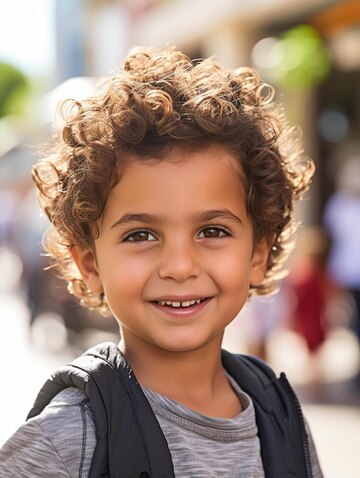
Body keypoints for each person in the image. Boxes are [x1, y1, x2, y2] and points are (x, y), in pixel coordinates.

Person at [0, 47, 322, 477]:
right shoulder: (65, 441)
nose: (179, 265)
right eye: (141, 235)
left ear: (257, 255)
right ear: (90, 264)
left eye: (212, 231)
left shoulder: (281, 415)